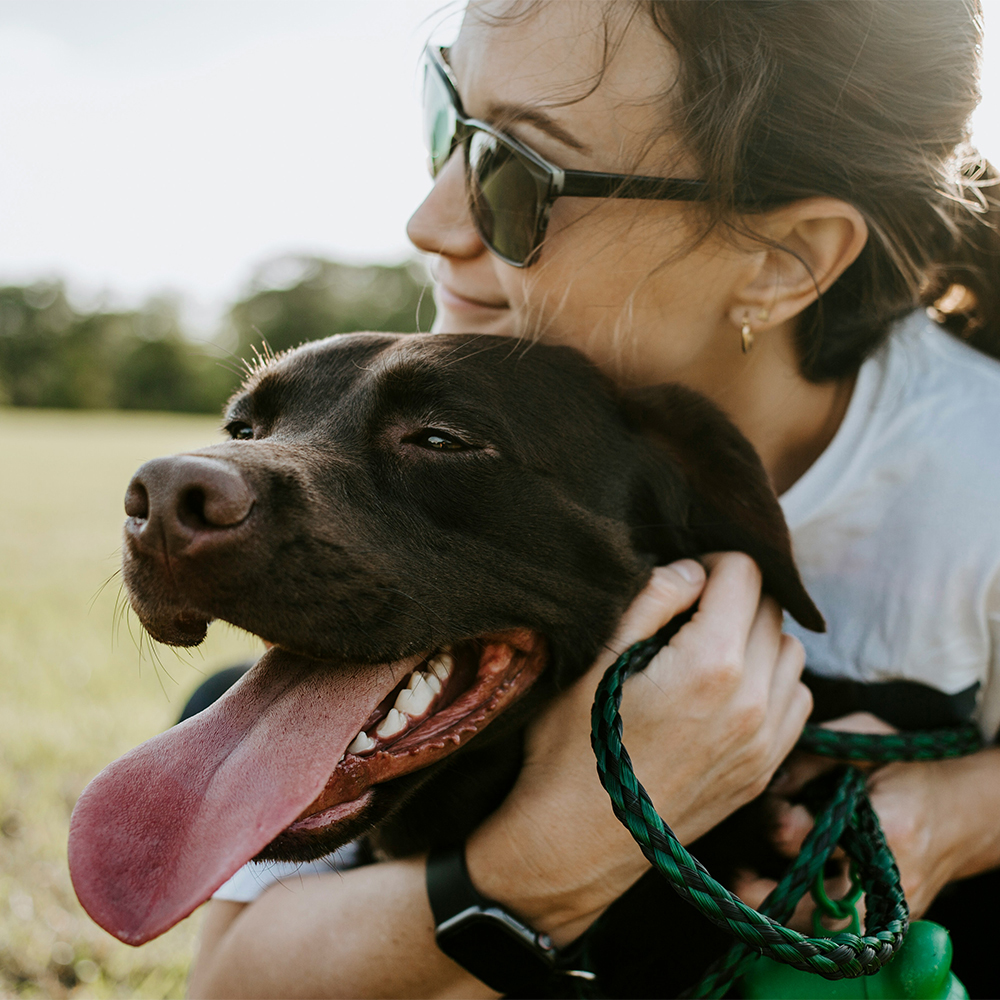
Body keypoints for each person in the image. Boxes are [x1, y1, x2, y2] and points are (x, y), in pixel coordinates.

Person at [187, 1, 1000, 997]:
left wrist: (954, 810)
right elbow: (231, 982)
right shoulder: (458, 391)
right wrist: (556, 848)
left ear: (781, 261)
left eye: (516, 174)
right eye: (450, 117)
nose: (430, 221)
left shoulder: (978, 476)